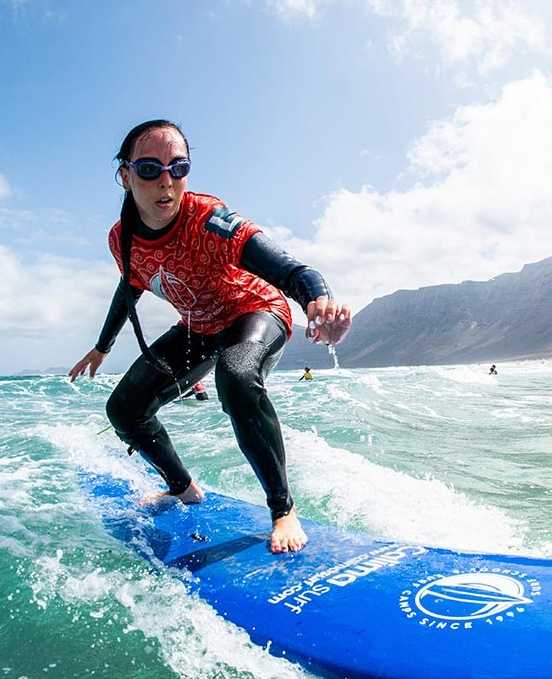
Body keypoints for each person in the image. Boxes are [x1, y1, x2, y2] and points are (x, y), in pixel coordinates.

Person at [68, 120, 350, 554]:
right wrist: (102, 346)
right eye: (149, 169)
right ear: (125, 176)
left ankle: (282, 509)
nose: (166, 182)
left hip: (256, 312)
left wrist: (319, 300)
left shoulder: (210, 220)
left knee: (236, 378)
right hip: (199, 327)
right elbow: (129, 288)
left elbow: (294, 271)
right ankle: (183, 487)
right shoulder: (121, 238)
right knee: (124, 408)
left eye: (178, 168)